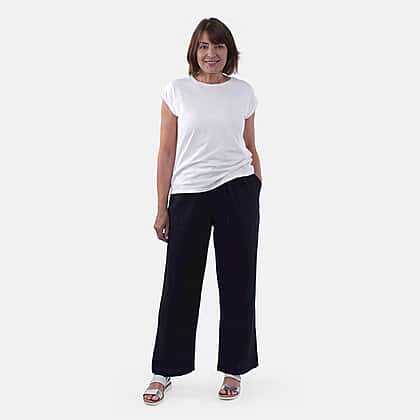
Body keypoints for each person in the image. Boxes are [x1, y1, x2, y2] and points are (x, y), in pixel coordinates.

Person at [143, 17, 262, 405]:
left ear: (230, 52)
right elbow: (166, 152)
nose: (212, 54)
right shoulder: (176, 91)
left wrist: (255, 187)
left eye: (219, 46)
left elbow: (250, 145)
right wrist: (161, 207)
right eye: (204, 46)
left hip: (237, 190)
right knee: (179, 283)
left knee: (238, 282)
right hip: (189, 194)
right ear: (194, 51)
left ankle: (234, 368)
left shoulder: (243, 92)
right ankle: (164, 370)